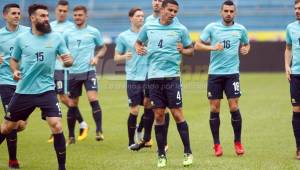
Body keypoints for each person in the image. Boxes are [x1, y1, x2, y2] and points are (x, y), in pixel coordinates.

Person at [0, 4, 73, 170]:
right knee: (7, 128)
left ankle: (62, 167)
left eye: (47, 16)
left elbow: (67, 57)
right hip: (24, 91)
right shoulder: (22, 39)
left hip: (46, 90)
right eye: (42, 16)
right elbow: (13, 59)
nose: (46, 19)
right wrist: (15, 70)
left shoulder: (56, 38)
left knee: (56, 125)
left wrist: (68, 61)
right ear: (33, 18)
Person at [135, 0, 193, 167]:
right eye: (170, 10)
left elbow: (191, 49)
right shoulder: (149, 26)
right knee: (159, 115)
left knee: (177, 114)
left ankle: (188, 152)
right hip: (153, 78)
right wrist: (139, 48)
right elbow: (139, 42)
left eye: (175, 11)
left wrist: (184, 50)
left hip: (172, 78)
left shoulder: (181, 29)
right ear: (162, 9)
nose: (173, 13)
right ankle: (161, 155)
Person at [194, 0, 250, 157]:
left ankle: (237, 142)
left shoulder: (240, 29)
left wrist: (246, 48)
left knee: (233, 107)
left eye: (231, 11)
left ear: (235, 13)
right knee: (214, 108)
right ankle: (216, 144)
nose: (228, 14)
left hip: (232, 74)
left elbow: (246, 43)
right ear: (221, 12)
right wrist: (212, 47)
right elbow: (197, 45)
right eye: (226, 11)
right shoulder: (212, 28)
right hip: (215, 74)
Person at [47, 0, 88, 144]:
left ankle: (82, 123)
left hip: (64, 69)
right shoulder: (49, 25)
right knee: (52, 99)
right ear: (56, 11)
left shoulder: (72, 27)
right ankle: (56, 129)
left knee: (64, 98)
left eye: (65, 11)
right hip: (49, 68)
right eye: (60, 10)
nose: (62, 13)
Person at [64, 5, 107, 142]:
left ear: (86, 16)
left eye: (80, 15)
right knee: (72, 104)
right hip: (73, 73)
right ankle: (71, 135)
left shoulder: (93, 32)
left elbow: (103, 47)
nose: (77, 17)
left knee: (93, 99)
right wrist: (64, 60)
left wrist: (96, 57)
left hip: (89, 71)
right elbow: (61, 50)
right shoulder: (67, 33)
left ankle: (99, 130)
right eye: (75, 15)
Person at [114, 7, 154, 149]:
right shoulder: (123, 36)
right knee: (135, 110)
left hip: (149, 77)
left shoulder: (149, 34)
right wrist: (124, 56)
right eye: (137, 16)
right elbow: (116, 57)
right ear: (131, 18)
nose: (141, 18)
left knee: (150, 108)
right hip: (133, 78)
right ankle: (131, 142)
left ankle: (142, 132)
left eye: (142, 16)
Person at [0, 3, 29, 169]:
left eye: (19, 13)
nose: (17, 16)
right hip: (6, 82)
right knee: (11, 121)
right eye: (13, 13)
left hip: (26, 84)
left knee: (19, 125)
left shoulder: (27, 32)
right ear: (5, 16)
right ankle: (13, 161)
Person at [285, 0, 300, 160]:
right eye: (295, 8)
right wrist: (286, 66)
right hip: (296, 74)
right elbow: (288, 48)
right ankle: (299, 148)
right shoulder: (291, 28)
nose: (297, 11)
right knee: (297, 111)